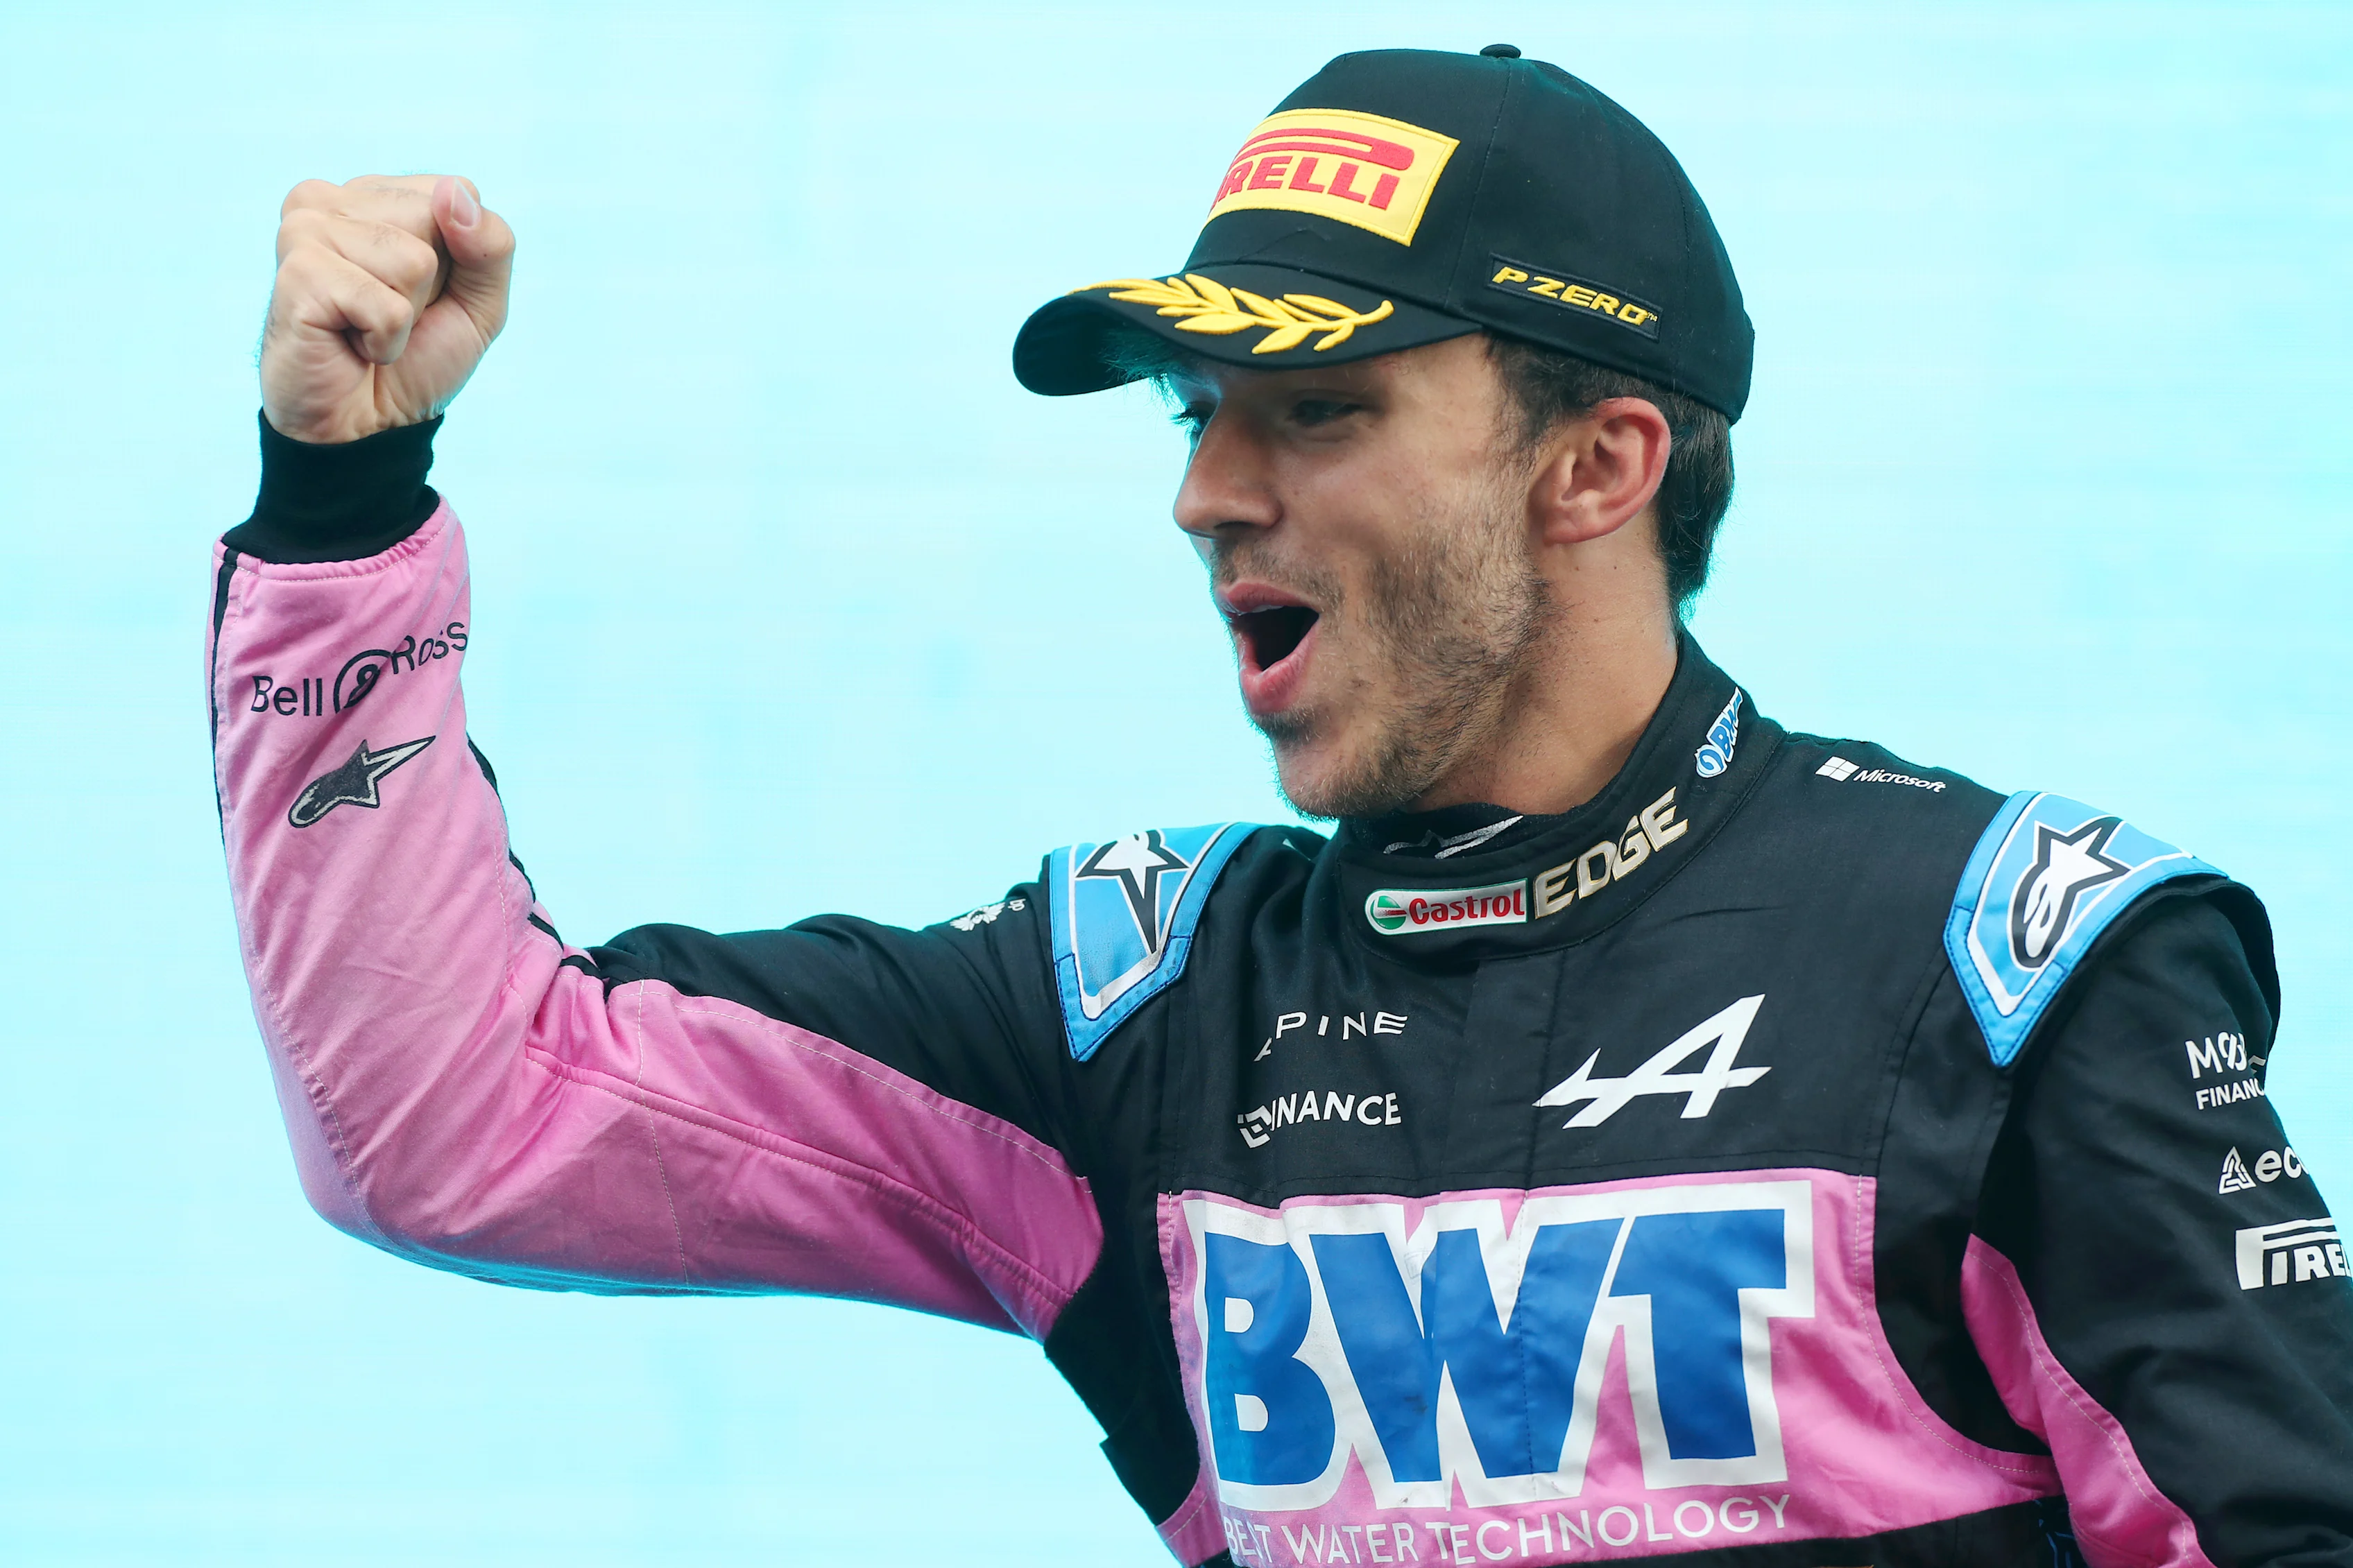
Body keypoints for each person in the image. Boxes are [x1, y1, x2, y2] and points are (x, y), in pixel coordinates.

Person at [208, 44, 2353, 1567]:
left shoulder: (2013, 964)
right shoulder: (1135, 1012)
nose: (1207, 493)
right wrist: (341, 504)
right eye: (1202, 412)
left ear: (1599, 463)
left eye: (1317, 409)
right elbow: (455, 1117)